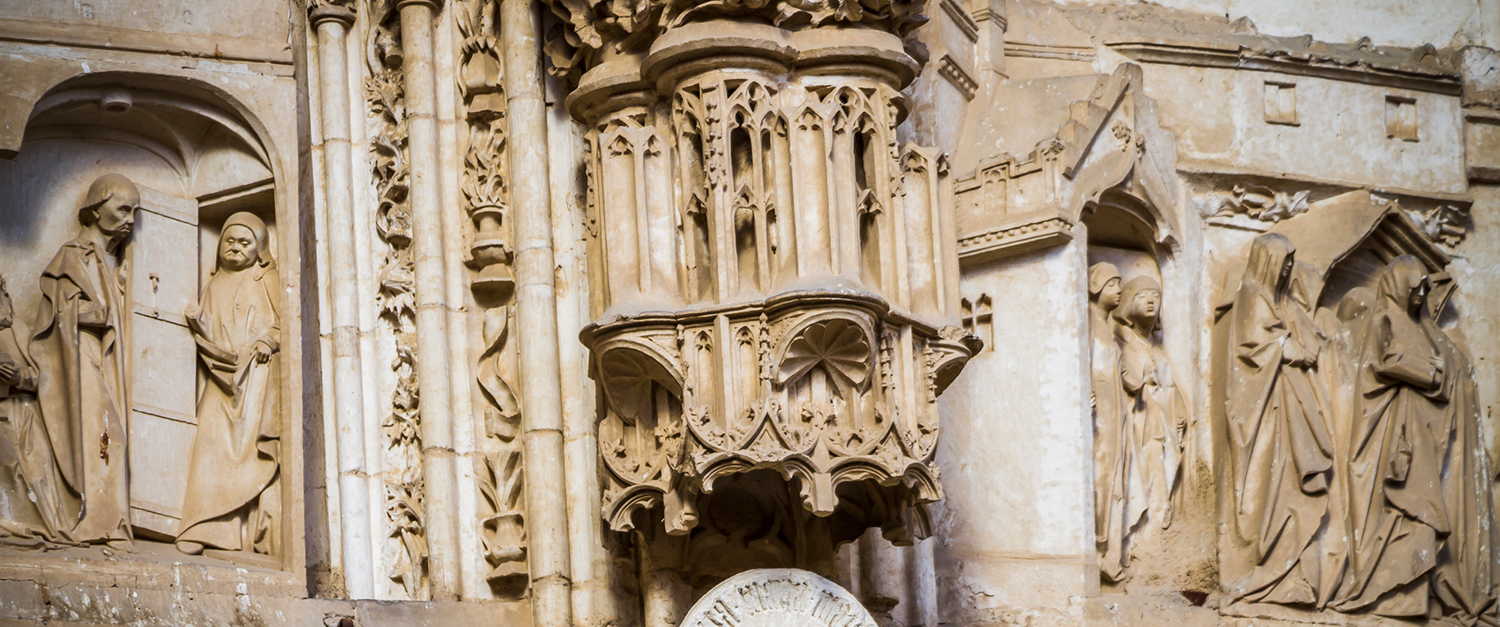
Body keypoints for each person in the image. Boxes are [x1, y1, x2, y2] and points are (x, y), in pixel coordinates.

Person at [31, 173, 138, 550]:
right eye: (123, 209)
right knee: (105, 436)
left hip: (115, 362)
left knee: (112, 435)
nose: (130, 219)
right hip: (83, 358)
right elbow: (60, 312)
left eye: (135, 212)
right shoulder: (72, 256)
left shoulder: (123, 261)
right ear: (95, 210)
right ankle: (100, 522)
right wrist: (97, 313)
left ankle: (112, 519)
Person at [1225, 233, 1331, 605]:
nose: (1288, 268)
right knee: (1278, 488)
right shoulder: (1253, 295)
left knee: (1294, 488)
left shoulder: (1278, 302)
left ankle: (1296, 575)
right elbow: (1256, 345)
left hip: (1289, 409)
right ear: (1268, 261)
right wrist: (1293, 351)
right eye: (1283, 261)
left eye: (1291, 262)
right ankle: (1277, 571)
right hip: (1269, 412)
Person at [174, 212, 281, 556]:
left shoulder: (267, 278)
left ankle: (246, 529)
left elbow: (284, 323)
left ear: (260, 248)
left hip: (256, 380)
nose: (235, 248)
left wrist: (266, 342)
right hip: (219, 376)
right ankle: (205, 526)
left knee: (248, 451)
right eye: (229, 241)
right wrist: (197, 320)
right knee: (209, 442)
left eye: (244, 242)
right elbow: (209, 327)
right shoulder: (215, 282)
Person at [0, 275, 72, 545]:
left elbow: (44, 377)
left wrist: (18, 376)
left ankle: (51, 526)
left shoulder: (19, 331)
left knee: (40, 467)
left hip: (25, 411)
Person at [1088, 263, 1129, 580]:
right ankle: (1097, 546)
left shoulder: (1108, 327)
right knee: (1100, 475)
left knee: (1113, 476)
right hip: (1098, 413)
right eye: (1113, 283)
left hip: (1113, 412)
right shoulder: (1088, 322)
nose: (1118, 289)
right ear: (1096, 286)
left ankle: (1109, 551)